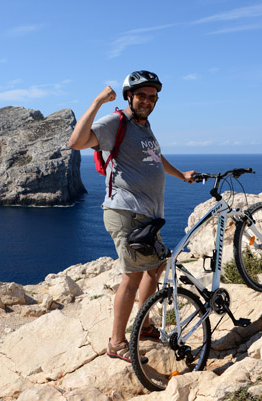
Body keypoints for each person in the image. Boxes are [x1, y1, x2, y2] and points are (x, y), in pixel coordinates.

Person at [69, 70, 196, 362]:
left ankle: (145, 323)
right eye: (141, 95)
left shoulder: (145, 126)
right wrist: (99, 101)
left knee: (156, 266)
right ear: (129, 95)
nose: (147, 101)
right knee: (133, 277)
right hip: (126, 213)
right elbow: (76, 141)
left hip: (148, 216)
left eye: (152, 97)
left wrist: (181, 175)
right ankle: (116, 342)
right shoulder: (117, 122)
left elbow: (155, 158)